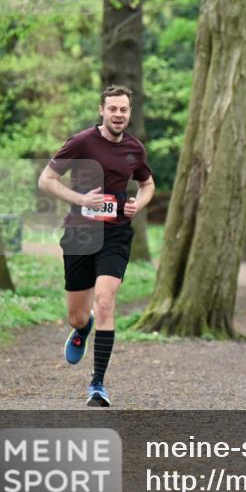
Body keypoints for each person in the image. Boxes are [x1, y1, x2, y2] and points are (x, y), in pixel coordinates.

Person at [37, 84, 154, 407]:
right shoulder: (81, 142)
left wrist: (138, 205)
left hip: (115, 234)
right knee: (78, 315)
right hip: (80, 233)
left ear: (130, 113)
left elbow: (147, 183)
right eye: (113, 109)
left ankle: (97, 385)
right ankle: (82, 328)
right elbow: (46, 179)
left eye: (124, 110)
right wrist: (79, 199)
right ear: (102, 110)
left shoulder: (134, 149)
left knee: (104, 302)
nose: (119, 115)